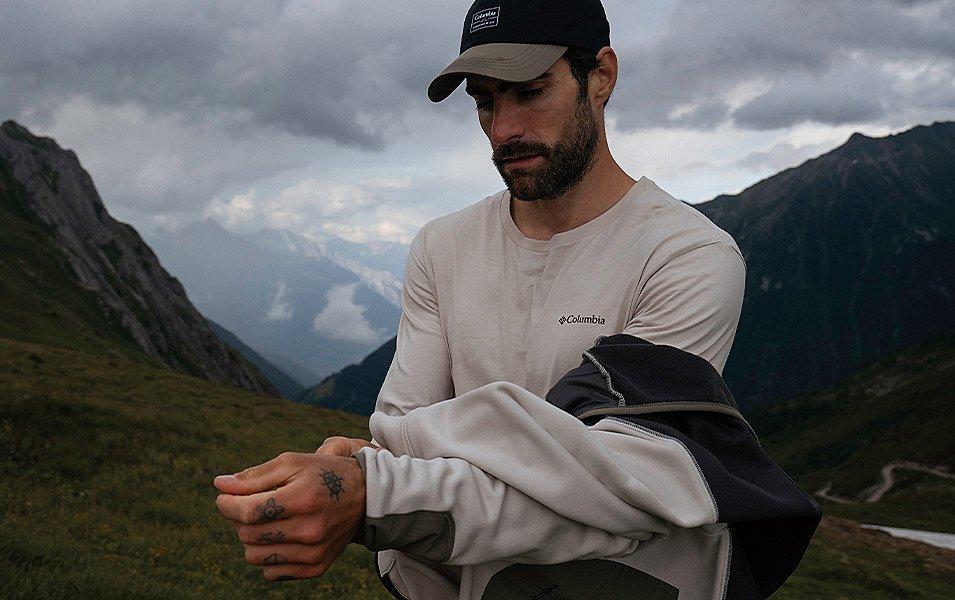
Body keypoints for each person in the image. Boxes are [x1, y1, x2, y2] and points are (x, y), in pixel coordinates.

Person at [213, 1, 784, 597]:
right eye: (485, 101)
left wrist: (378, 488)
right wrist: (392, 466)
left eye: (531, 91)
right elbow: (403, 432)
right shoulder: (442, 246)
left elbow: (624, 487)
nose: (504, 128)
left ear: (602, 77)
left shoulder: (686, 256)